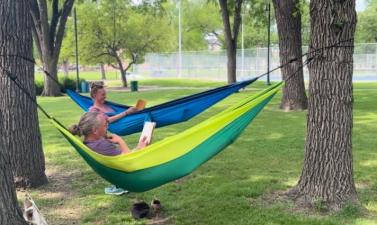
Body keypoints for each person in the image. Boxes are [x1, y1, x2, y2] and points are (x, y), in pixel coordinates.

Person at [69, 111, 149, 195]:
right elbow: (129, 161)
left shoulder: (89, 143)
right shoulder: (101, 145)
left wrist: (139, 148)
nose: (107, 126)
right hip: (129, 175)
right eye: (105, 125)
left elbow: (123, 156)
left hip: (119, 170)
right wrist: (120, 141)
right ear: (95, 130)